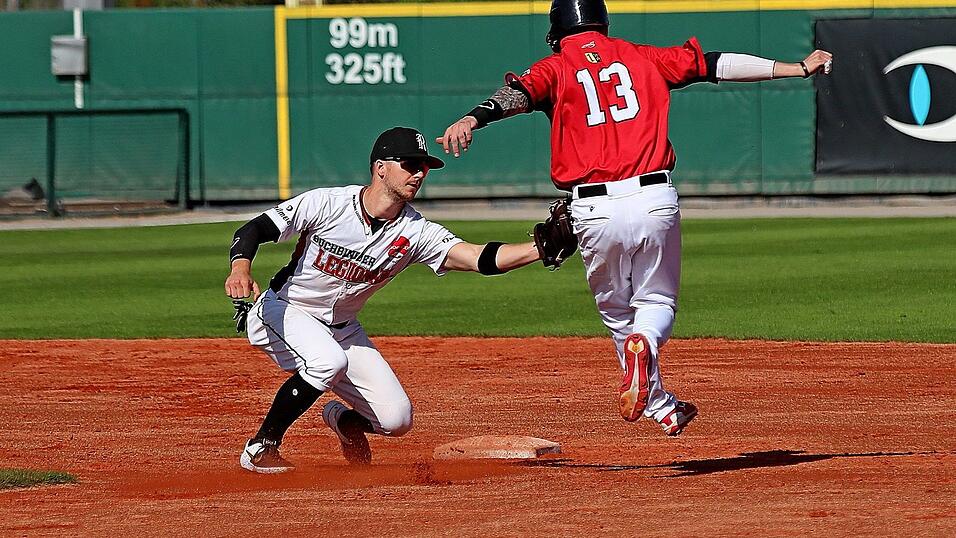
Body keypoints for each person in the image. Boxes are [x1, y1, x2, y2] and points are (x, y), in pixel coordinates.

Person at [438, 0, 833, 436]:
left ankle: (658, 400)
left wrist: (475, 117)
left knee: (616, 313)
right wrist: (795, 67)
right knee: (656, 303)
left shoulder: (554, 66)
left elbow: (519, 95)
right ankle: (658, 392)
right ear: (602, 22)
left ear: (556, 31)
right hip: (653, 198)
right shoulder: (643, 56)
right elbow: (715, 64)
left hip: (592, 206)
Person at [225, 126, 540, 473]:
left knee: (397, 420)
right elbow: (252, 229)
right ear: (381, 168)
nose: (419, 173)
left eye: (424, 167)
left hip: (343, 330)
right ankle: (260, 446)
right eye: (410, 164)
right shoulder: (328, 204)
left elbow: (477, 258)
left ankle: (344, 421)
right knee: (327, 362)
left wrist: (538, 249)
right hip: (284, 310)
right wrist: (240, 269)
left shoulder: (415, 231)